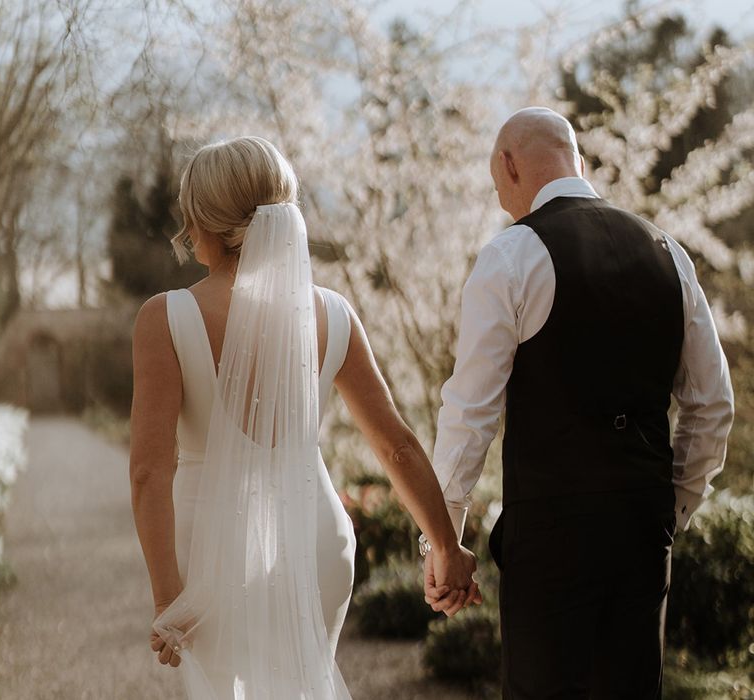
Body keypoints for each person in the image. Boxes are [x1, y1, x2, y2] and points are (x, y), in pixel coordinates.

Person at [128, 136, 480, 699]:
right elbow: (397, 447)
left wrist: (168, 599)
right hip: (316, 541)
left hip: (208, 555)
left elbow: (149, 471)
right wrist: (445, 546)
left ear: (208, 222)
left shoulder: (166, 318)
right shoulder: (331, 313)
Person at [425, 107, 734, 698]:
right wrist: (672, 510)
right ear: (580, 164)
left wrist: (443, 540)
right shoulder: (669, 252)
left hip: (550, 532)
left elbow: (470, 413)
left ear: (509, 165)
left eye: (497, 187)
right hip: (643, 529)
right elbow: (712, 404)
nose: (499, 203)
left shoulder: (511, 255)